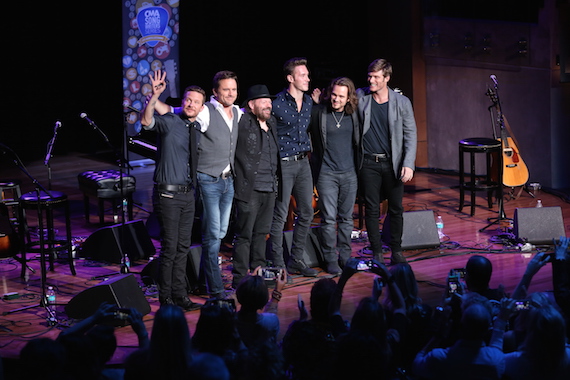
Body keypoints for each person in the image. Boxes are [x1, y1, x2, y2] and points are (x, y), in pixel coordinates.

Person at [140, 69, 203, 311]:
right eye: (188, 99)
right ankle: (165, 298)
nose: (191, 104)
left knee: (183, 248)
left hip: (188, 195)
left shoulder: (195, 128)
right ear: (183, 101)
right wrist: (154, 97)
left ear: (200, 107)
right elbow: (146, 122)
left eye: (196, 102)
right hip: (167, 195)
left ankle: (180, 295)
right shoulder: (170, 122)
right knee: (169, 248)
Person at [357, 58, 417, 265]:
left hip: (393, 164)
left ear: (387, 78)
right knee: (372, 208)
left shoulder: (402, 102)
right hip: (368, 163)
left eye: (375, 76)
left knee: (396, 208)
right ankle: (376, 252)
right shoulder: (361, 96)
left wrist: (408, 163)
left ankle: (396, 249)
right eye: (369, 75)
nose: (370, 80)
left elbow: (410, 134)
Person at [269, 57, 319, 277]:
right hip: (284, 164)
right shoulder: (277, 103)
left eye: (307, 74)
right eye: (303, 75)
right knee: (280, 214)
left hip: (303, 162)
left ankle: (296, 259)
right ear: (290, 78)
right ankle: (278, 264)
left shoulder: (308, 102)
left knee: (307, 211)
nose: (307, 78)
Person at [309, 77, 360, 274]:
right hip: (326, 173)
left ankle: (345, 257)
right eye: (334, 95)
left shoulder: (354, 115)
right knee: (329, 218)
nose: (336, 99)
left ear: (349, 98)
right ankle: (330, 258)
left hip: (349, 173)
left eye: (341, 96)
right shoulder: (320, 113)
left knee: (347, 218)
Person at [232, 85, 280, 288]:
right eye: (263, 101)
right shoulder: (243, 122)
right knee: (244, 234)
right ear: (251, 105)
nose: (269, 104)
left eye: (269, 101)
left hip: (269, 187)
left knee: (261, 233)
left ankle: (258, 270)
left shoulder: (273, 123)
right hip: (249, 188)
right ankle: (240, 276)